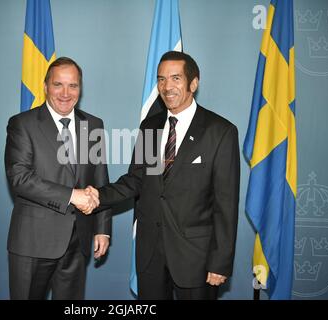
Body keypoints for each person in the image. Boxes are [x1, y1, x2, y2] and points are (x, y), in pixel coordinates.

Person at [86, 51, 240, 300]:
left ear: (194, 83)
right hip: (150, 256)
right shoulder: (150, 126)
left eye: (176, 78)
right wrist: (97, 196)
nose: (167, 86)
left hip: (196, 259)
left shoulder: (221, 132)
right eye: (161, 79)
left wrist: (220, 262)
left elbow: (226, 203)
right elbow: (136, 180)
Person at [5, 57, 112, 300]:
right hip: (33, 242)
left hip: (78, 242)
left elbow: (100, 179)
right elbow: (20, 178)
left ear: (80, 88)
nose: (66, 93)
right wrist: (72, 196)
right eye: (58, 85)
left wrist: (103, 229)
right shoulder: (22, 124)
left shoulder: (93, 125)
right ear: (45, 87)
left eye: (73, 86)